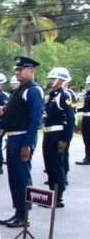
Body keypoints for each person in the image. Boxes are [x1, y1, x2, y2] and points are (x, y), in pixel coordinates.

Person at [0, 57, 45, 228]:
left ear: (32, 71)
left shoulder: (33, 90)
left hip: (23, 137)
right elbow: (13, 114)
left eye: (20, 69)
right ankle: (17, 211)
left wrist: (28, 144)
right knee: (14, 178)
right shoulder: (18, 90)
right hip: (13, 137)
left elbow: (35, 119)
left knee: (22, 177)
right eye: (16, 70)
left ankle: (24, 215)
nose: (17, 72)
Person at [42, 67, 76, 208]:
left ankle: (58, 196)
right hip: (48, 134)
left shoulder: (65, 96)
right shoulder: (52, 95)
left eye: (53, 79)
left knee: (56, 166)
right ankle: (52, 194)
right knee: (49, 165)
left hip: (58, 135)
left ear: (61, 80)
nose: (50, 81)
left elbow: (70, 119)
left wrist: (65, 140)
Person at [79, 73, 90, 165]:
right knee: (86, 138)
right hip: (86, 118)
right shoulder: (87, 94)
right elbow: (84, 107)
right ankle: (87, 157)